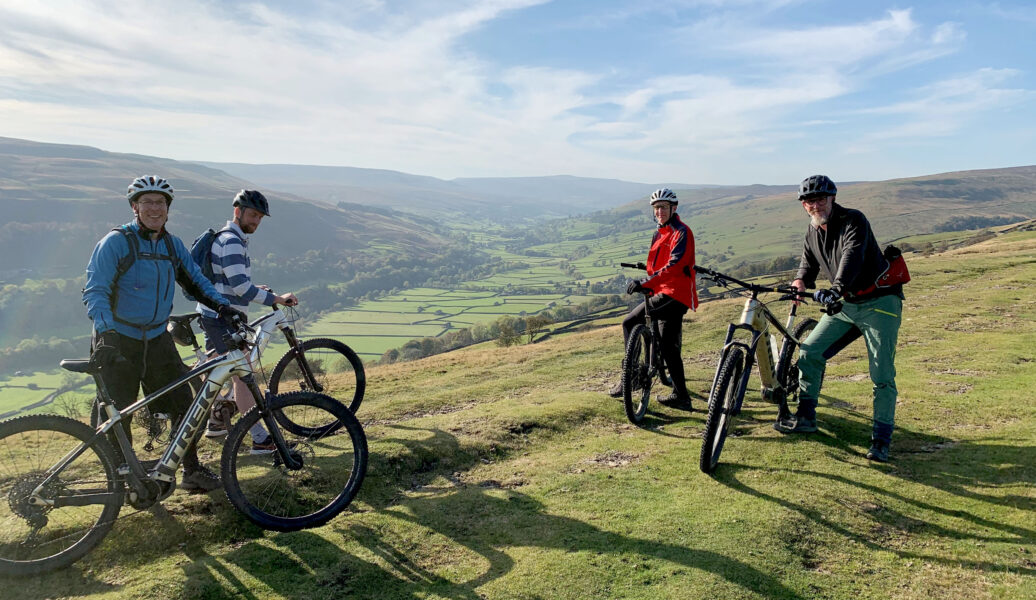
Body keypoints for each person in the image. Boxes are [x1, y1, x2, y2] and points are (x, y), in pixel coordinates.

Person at [83, 175, 246, 492]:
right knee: (117, 418)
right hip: (118, 340)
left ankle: (191, 471)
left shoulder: (172, 246)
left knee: (188, 407)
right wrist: (105, 334)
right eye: (147, 202)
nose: (154, 208)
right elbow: (95, 290)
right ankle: (122, 484)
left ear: (167, 209)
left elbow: (197, 282)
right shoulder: (116, 242)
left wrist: (225, 308)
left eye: (160, 202)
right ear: (135, 207)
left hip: (158, 340)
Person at [775, 174, 904, 463]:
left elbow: (852, 256)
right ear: (803, 205)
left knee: (881, 373)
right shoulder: (812, 231)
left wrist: (835, 289)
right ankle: (806, 417)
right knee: (810, 351)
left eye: (820, 198)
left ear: (832, 198)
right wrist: (799, 284)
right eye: (809, 201)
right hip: (847, 304)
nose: (815, 205)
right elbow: (807, 265)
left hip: (880, 302)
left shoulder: (854, 220)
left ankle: (881, 440)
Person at [198, 190, 297, 452]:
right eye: (253, 215)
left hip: (218, 316)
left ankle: (217, 419)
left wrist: (257, 290)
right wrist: (275, 298)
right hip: (221, 319)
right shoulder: (231, 241)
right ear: (237, 211)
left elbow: (232, 281)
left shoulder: (232, 239)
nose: (256, 221)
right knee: (243, 378)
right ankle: (259, 438)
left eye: (260, 217)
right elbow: (240, 288)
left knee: (223, 371)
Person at [608, 188, 698, 409]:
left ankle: (632, 378)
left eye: (663, 207)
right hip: (663, 290)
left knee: (630, 322)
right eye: (656, 208)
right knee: (668, 347)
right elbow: (658, 265)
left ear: (673, 208)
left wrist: (645, 283)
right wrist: (648, 276)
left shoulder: (681, 232)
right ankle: (682, 396)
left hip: (675, 293)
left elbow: (674, 266)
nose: (659, 211)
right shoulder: (660, 233)